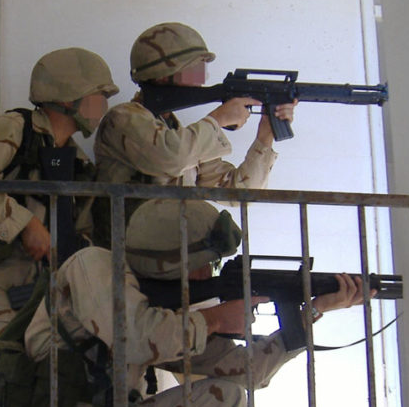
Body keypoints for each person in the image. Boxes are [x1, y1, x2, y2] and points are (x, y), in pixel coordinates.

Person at [16, 199, 370, 407]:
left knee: (228, 400)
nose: (207, 274)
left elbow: (246, 371)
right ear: (170, 260)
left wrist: (313, 311)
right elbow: (135, 337)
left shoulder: (169, 313)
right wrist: (216, 318)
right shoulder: (93, 266)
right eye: (205, 263)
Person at [0, 47, 118, 390]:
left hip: (41, 289)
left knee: (28, 391)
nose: (103, 106)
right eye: (98, 96)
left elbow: (80, 228)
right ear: (67, 97)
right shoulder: (13, 129)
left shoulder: (77, 162)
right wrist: (25, 224)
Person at [93, 22, 297, 245]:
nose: (202, 79)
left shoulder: (178, 133)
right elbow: (171, 157)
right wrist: (218, 119)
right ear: (162, 75)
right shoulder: (123, 118)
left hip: (173, 253)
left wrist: (265, 134)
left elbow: (240, 192)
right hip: (124, 252)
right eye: (194, 69)